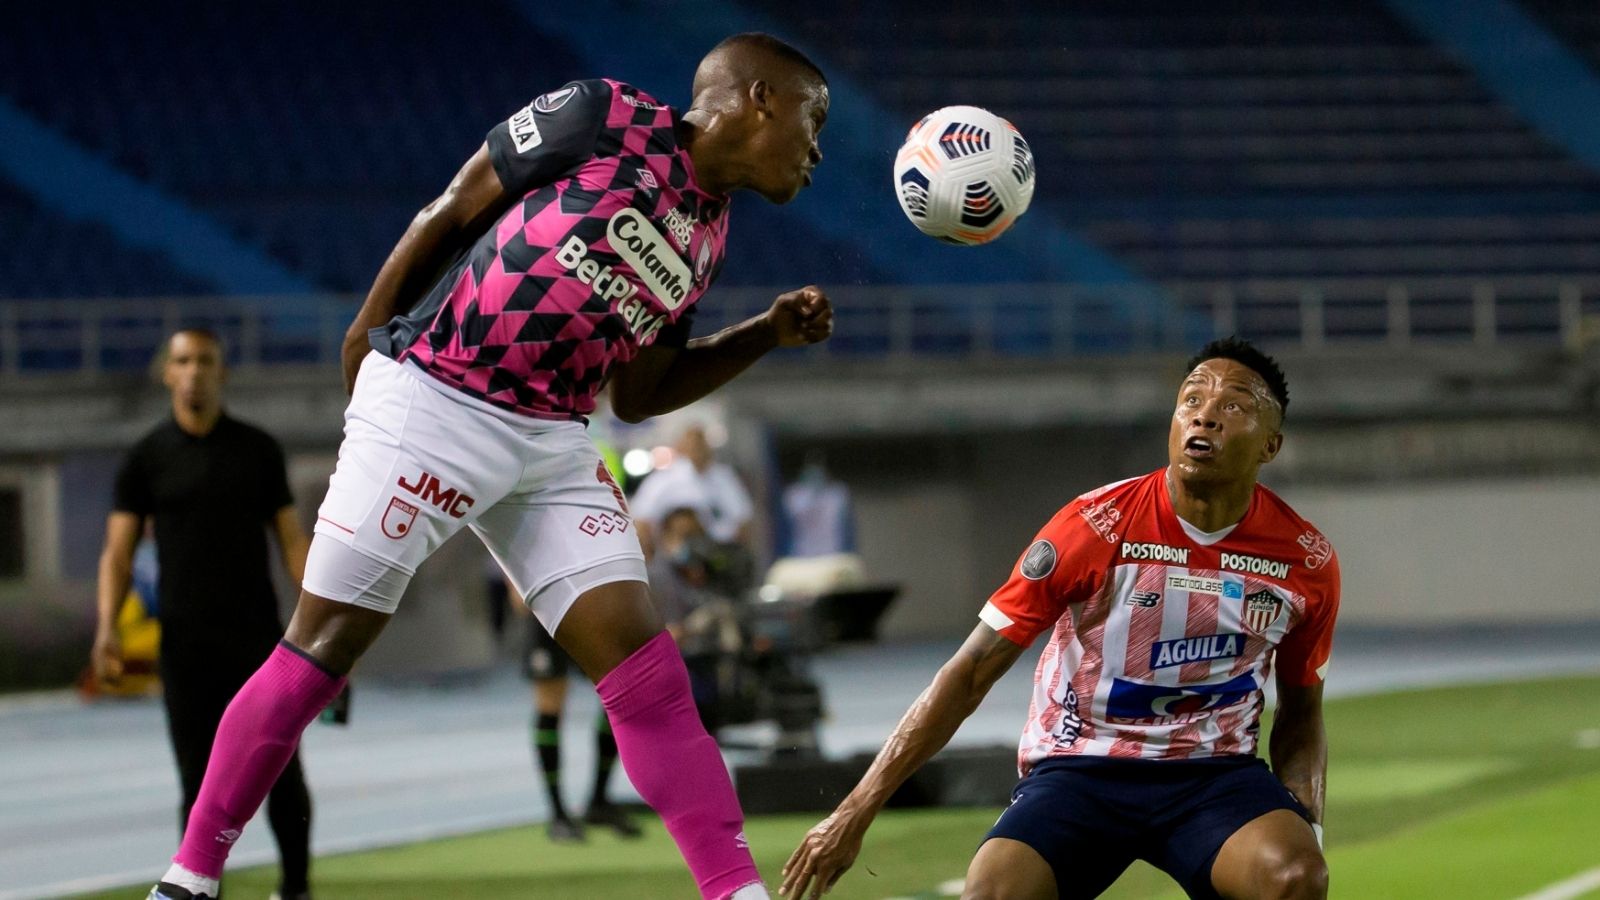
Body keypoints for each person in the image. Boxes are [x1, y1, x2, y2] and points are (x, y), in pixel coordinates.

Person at [149, 31, 831, 900]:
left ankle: (737, 893)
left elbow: (639, 395)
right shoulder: (605, 115)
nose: (817, 152)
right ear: (760, 98)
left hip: (549, 441)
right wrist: (368, 332)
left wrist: (764, 333)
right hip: (437, 394)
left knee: (647, 674)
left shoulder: (708, 240)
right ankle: (187, 879)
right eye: (813, 122)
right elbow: (453, 209)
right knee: (323, 649)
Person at [783, 338, 1340, 900]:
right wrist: (854, 812)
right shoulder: (1093, 526)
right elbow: (971, 670)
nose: (1205, 414)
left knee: (1295, 877)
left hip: (1212, 775)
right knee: (994, 894)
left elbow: (1301, 711)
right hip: (1082, 767)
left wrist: (1306, 827)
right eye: (1191, 399)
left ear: (1270, 445)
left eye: (1234, 406)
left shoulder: (1304, 561)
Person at [93, 328, 316, 900]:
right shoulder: (145, 458)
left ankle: (296, 887)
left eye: (205, 361)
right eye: (183, 361)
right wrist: (106, 630)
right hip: (186, 646)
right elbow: (117, 552)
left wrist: (322, 621)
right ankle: (199, 889)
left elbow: (291, 541)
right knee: (197, 782)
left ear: (223, 373)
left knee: (281, 774)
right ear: (167, 373)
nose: (194, 371)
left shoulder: (258, 450)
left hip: (258, 642)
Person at [501, 573, 642, 842]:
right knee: (550, 708)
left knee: (618, 698)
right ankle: (557, 814)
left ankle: (599, 800)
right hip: (546, 616)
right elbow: (519, 600)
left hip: (591, 612)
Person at [633, 424, 757, 556]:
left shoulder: (724, 478)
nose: (696, 450)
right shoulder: (662, 480)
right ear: (680, 447)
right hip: (670, 556)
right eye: (691, 445)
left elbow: (743, 521)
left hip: (717, 553)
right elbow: (642, 520)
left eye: (700, 445)